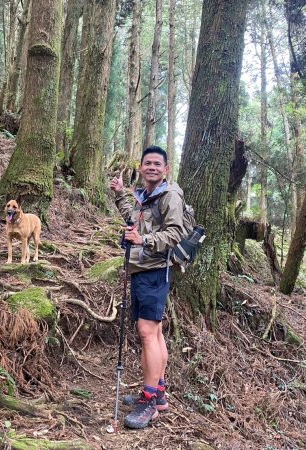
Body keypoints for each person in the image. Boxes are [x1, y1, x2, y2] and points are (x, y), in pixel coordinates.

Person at [109, 145, 186, 429]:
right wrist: (120, 194)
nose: (152, 167)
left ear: (166, 169)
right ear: (141, 168)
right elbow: (134, 220)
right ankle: (159, 392)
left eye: (157, 164)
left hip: (155, 270)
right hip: (141, 269)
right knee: (155, 332)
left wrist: (145, 241)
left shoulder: (170, 196)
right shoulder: (144, 196)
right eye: (147, 163)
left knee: (146, 332)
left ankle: (149, 400)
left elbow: (176, 233)